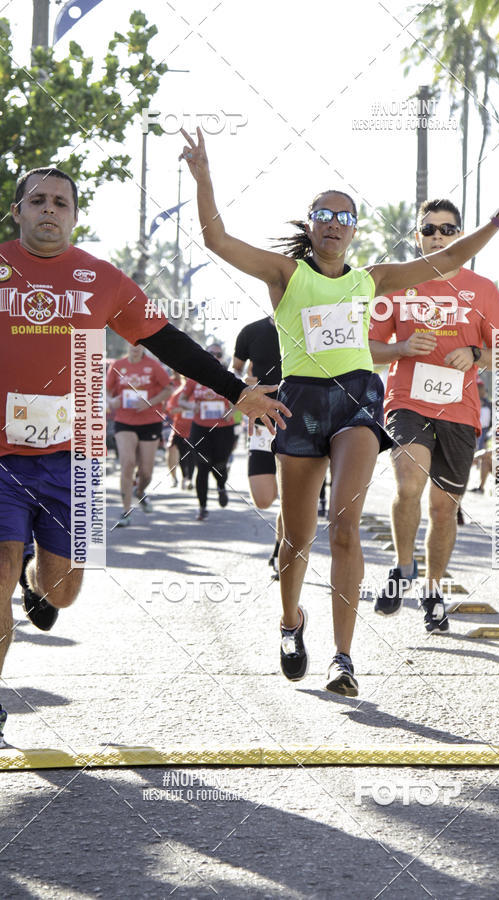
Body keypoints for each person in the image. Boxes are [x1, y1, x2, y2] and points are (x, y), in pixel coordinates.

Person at [181, 126, 499, 692]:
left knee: (344, 527)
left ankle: (342, 657)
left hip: (357, 402)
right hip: (300, 404)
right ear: (312, 223)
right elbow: (217, 239)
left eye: (344, 217)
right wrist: (203, 177)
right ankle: (290, 620)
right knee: (296, 535)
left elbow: (448, 258)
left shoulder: (375, 280)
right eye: (324, 214)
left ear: (354, 231)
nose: (333, 224)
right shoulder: (285, 274)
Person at [0, 166, 290, 743]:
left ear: (76, 216)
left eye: (61, 202)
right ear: (18, 212)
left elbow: (169, 341)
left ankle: (38, 581)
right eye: (38, 201)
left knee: (63, 590)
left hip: (74, 458)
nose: (49, 210)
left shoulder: (101, 278)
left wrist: (237, 390)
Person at [369, 198, 499, 632]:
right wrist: (398, 348)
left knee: (444, 508)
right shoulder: (396, 285)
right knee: (409, 483)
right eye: (429, 229)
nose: (437, 236)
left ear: (461, 236)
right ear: (416, 236)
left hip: (461, 409)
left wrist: (475, 353)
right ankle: (402, 567)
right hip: (406, 399)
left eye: (447, 230)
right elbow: (366, 348)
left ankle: (433, 591)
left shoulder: (482, 289)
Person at [233, 316, 284, 574]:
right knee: (264, 499)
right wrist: (244, 385)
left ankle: (281, 550)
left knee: (293, 498)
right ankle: (282, 546)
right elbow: (234, 372)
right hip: (262, 424)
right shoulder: (251, 331)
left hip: (299, 422)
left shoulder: (311, 323)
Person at [106, 345, 173, 526]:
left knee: (146, 471)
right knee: (126, 463)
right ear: (126, 344)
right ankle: (126, 511)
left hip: (150, 421)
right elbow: (106, 390)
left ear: (144, 346)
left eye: (139, 344)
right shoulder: (118, 365)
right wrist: (111, 400)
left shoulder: (153, 365)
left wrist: (149, 403)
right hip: (124, 420)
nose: (135, 347)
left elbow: (169, 388)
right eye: (131, 343)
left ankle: (140, 490)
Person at [181, 341, 238, 520]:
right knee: (202, 466)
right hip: (200, 428)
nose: (214, 356)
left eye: (218, 354)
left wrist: (231, 411)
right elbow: (182, 400)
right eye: (211, 352)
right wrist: (192, 406)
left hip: (223, 429)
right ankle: (202, 506)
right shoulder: (194, 377)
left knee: (219, 464)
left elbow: (241, 400)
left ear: (222, 358)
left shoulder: (228, 376)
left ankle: (221, 486)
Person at [166, 374, 196, 488]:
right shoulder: (178, 393)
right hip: (179, 429)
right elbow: (171, 410)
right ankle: (181, 477)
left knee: (191, 454)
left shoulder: (198, 392)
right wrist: (184, 408)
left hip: (194, 429)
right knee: (181, 454)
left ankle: (189, 479)